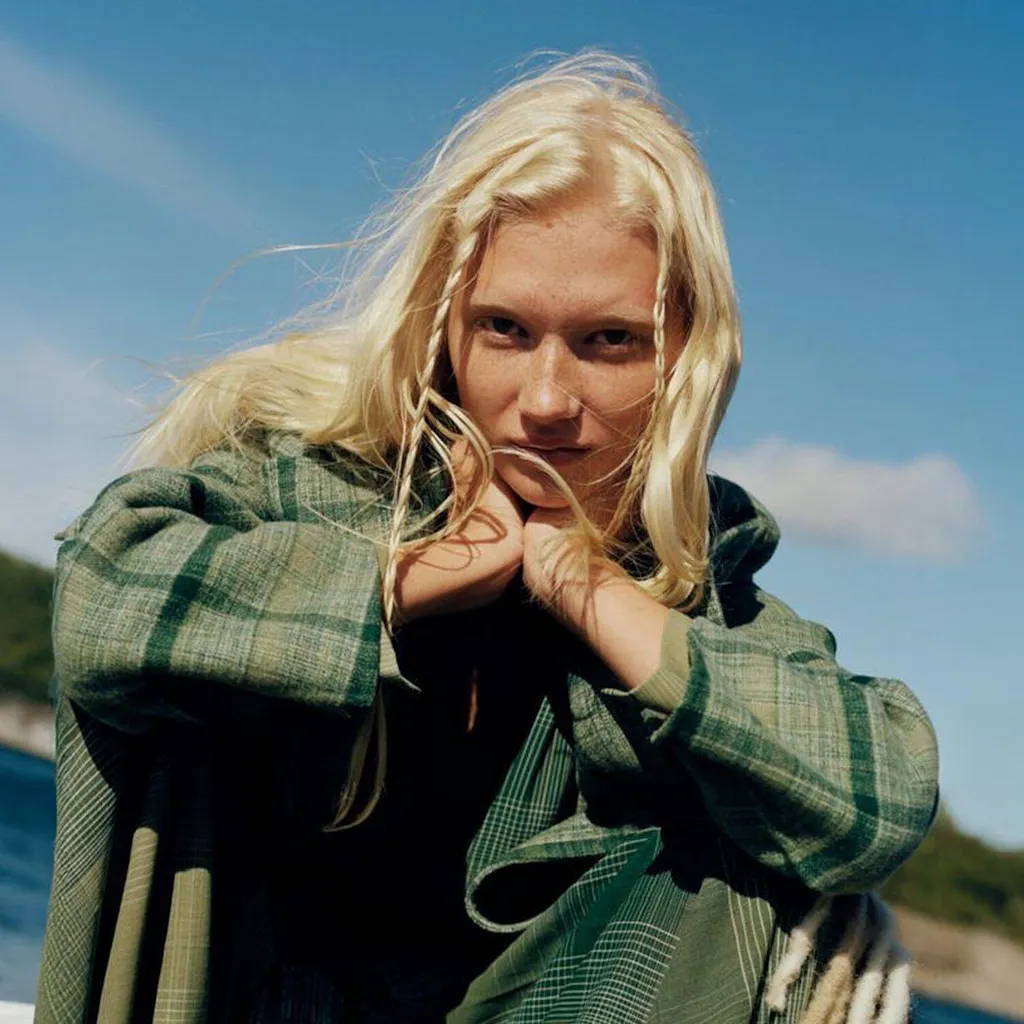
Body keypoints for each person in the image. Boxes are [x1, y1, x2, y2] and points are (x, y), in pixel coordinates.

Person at [36, 52, 939, 1024]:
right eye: (505, 328)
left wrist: (583, 585)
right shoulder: (314, 480)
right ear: (442, 324)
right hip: (252, 992)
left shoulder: (692, 580)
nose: (546, 401)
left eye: (607, 341)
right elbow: (104, 601)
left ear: (682, 358)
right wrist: (414, 575)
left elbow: (877, 800)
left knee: (759, 828)